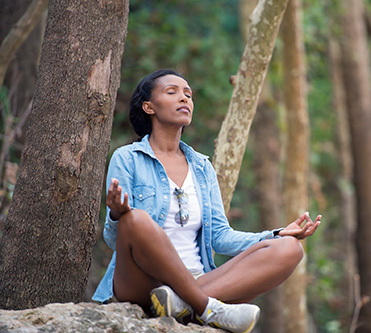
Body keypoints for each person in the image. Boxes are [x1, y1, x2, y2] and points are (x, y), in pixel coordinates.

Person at [92, 69, 321, 333]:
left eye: (188, 94)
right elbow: (114, 240)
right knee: (136, 220)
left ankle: (183, 304)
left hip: (201, 279)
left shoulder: (202, 166)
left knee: (290, 249)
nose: (184, 99)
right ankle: (207, 308)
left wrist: (277, 234)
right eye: (172, 92)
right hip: (144, 283)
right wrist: (117, 216)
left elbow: (220, 236)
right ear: (148, 106)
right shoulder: (127, 158)